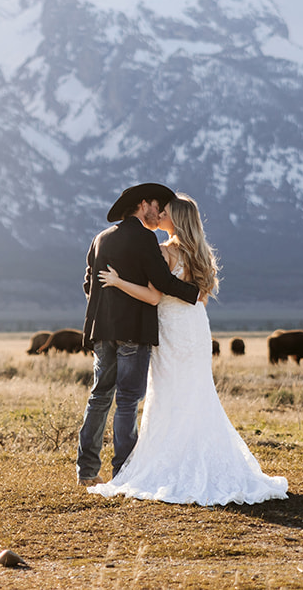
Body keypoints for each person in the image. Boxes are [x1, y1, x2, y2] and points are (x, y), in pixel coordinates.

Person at [88, 192, 288, 506]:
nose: (159, 212)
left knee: (168, 394)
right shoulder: (201, 252)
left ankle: (168, 462)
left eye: (164, 210)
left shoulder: (164, 251)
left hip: (171, 328)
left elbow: (154, 297)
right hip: (195, 327)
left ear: (174, 218)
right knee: (197, 393)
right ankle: (201, 457)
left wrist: (117, 282)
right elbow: (201, 297)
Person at [77, 182, 202, 486]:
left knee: (99, 396)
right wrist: (196, 292)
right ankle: (123, 472)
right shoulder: (144, 239)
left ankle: (87, 471)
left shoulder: (100, 239)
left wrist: (108, 309)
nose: (159, 213)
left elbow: (88, 285)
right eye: (158, 206)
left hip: (102, 329)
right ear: (143, 204)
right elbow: (162, 282)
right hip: (134, 330)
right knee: (129, 400)